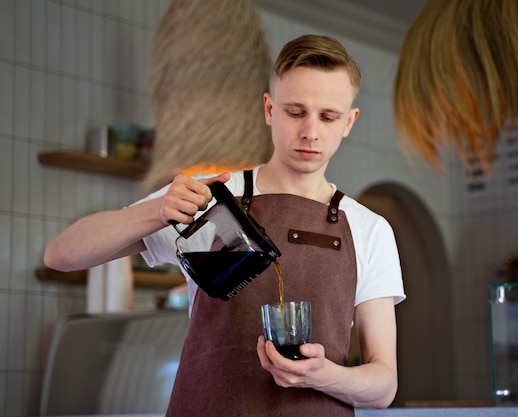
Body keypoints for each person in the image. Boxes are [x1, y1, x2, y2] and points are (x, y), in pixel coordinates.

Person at [44, 34, 405, 416]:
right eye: (295, 112)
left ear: (350, 121)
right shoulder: (211, 195)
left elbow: (383, 385)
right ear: (269, 109)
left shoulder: (368, 229)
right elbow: (61, 255)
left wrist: (324, 375)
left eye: (328, 116)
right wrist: (156, 211)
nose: (310, 132)